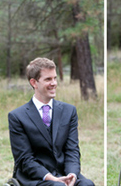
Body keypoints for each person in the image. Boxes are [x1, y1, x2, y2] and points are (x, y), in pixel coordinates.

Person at [8, 58, 94, 186]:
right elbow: (24, 159)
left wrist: (72, 175)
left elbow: (72, 150)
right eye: (48, 79)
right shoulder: (17, 116)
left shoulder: (69, 111)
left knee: (87, 184)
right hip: (36, 178)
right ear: (34, 83)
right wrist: (51, 178)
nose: (53, 83)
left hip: (64, 173)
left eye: (55, 78)